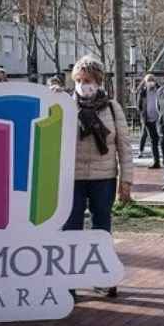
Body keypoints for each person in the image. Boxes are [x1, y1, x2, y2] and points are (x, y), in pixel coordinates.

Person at [65, 55, 132, 298]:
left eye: (90, 80)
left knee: (101, 228)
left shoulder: (112, 108)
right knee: (70, 227)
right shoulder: (64, 105)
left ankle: (103, 277)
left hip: (104, 177)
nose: (85, 85)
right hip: (71, 178)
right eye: (80, 80)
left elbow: (124, 145)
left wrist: (127, 180)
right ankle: (68, 282)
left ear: (99, 81)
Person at [136, 74, 161, 169]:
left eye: (152, 80)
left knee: (163, 140)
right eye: (148, 80)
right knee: (153, 140)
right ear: (145, 82)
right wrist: (143, 117)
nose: (151, 82)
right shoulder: (142, 92)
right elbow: (139, 106)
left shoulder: (160, 90)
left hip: (159, 119)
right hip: (148, 120)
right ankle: (156, 161)